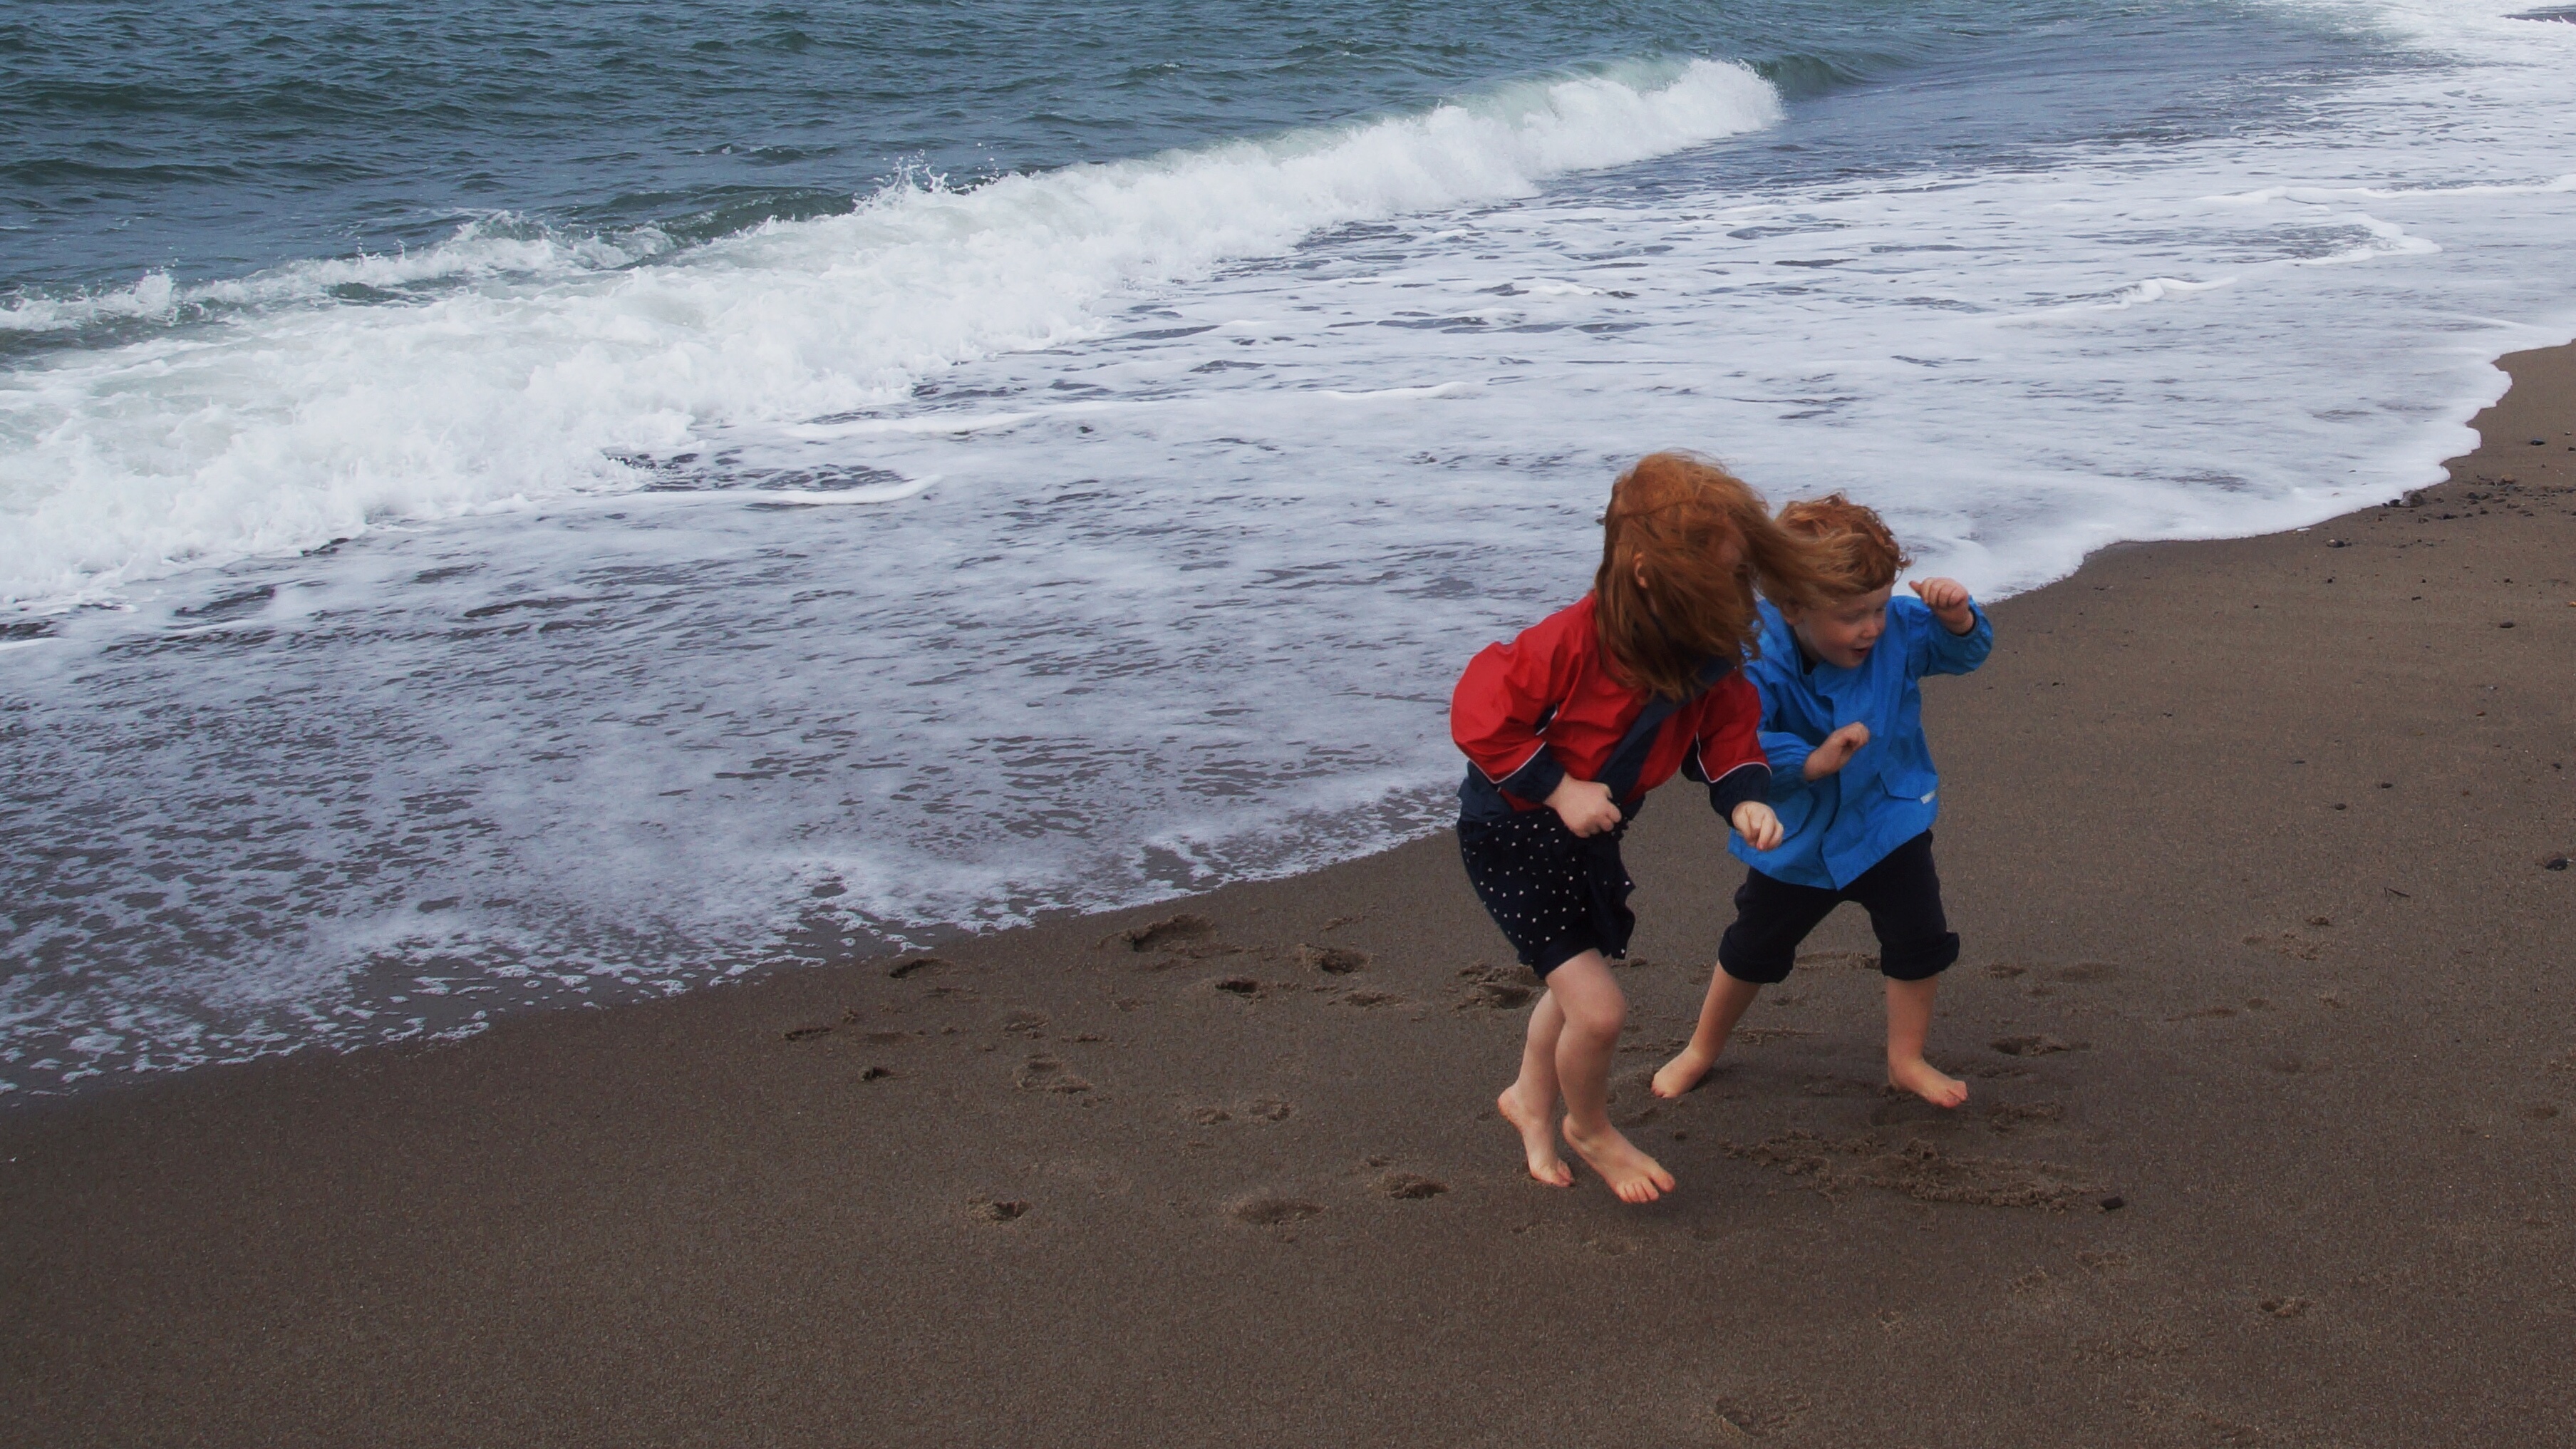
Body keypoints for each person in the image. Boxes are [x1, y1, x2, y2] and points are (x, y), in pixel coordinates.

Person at [1451, 453, 1833, 1202]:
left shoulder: (1703, 650)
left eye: (1739, 577)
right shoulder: (1571, 640)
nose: (1733, 598)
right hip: (1513, 834)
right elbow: (1479, 712)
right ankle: (1590, 1127)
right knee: (1598, 1009)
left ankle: (1529, 1097)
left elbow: (1726, 731)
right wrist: (1558, 788)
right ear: (1647, 575)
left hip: (1592, 834)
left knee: (1571, 985)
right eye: (1715, 581)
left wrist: (1744, 797)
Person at [1650, 493, 1992, 1110]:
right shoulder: (1754, 655)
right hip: (1795, 837)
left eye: (1879, 607)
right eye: (1852, 615)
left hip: (1888, 819)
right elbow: (1735, 739)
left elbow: (1962, 655)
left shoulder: (1898, 631)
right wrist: (1808, 762)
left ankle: (1906, 1059)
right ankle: (1701, 1047)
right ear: (1792, 607)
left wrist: (1957, 619)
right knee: (1752, 947)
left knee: (1919, 939)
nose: (1872, 627)